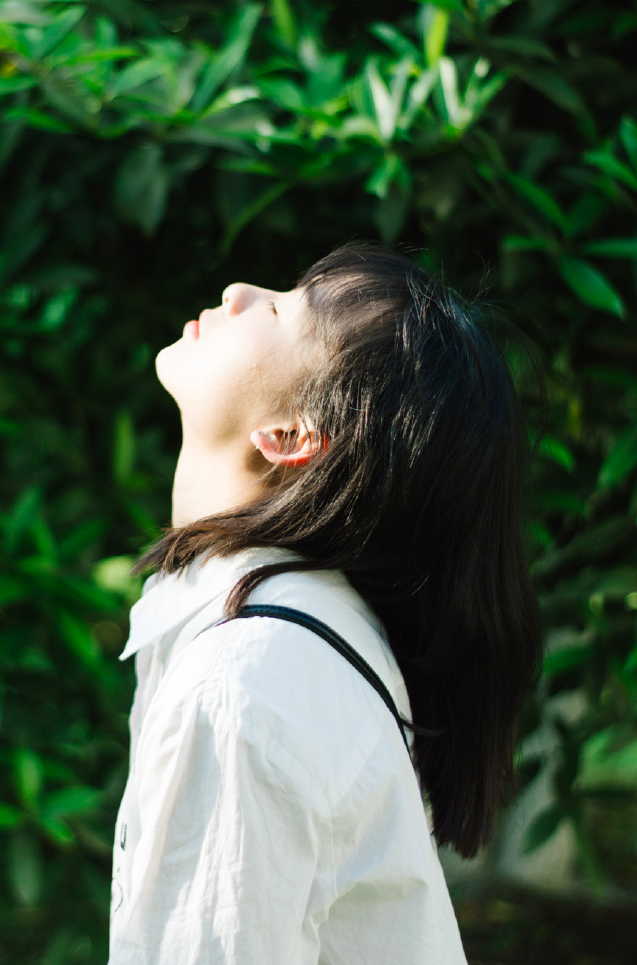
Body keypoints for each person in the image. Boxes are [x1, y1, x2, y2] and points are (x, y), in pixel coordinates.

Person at [108, 241, 542, 965]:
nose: (240, 290)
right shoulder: (296, 629)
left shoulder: (242, 682)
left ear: (291, 437)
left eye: (279, 310)